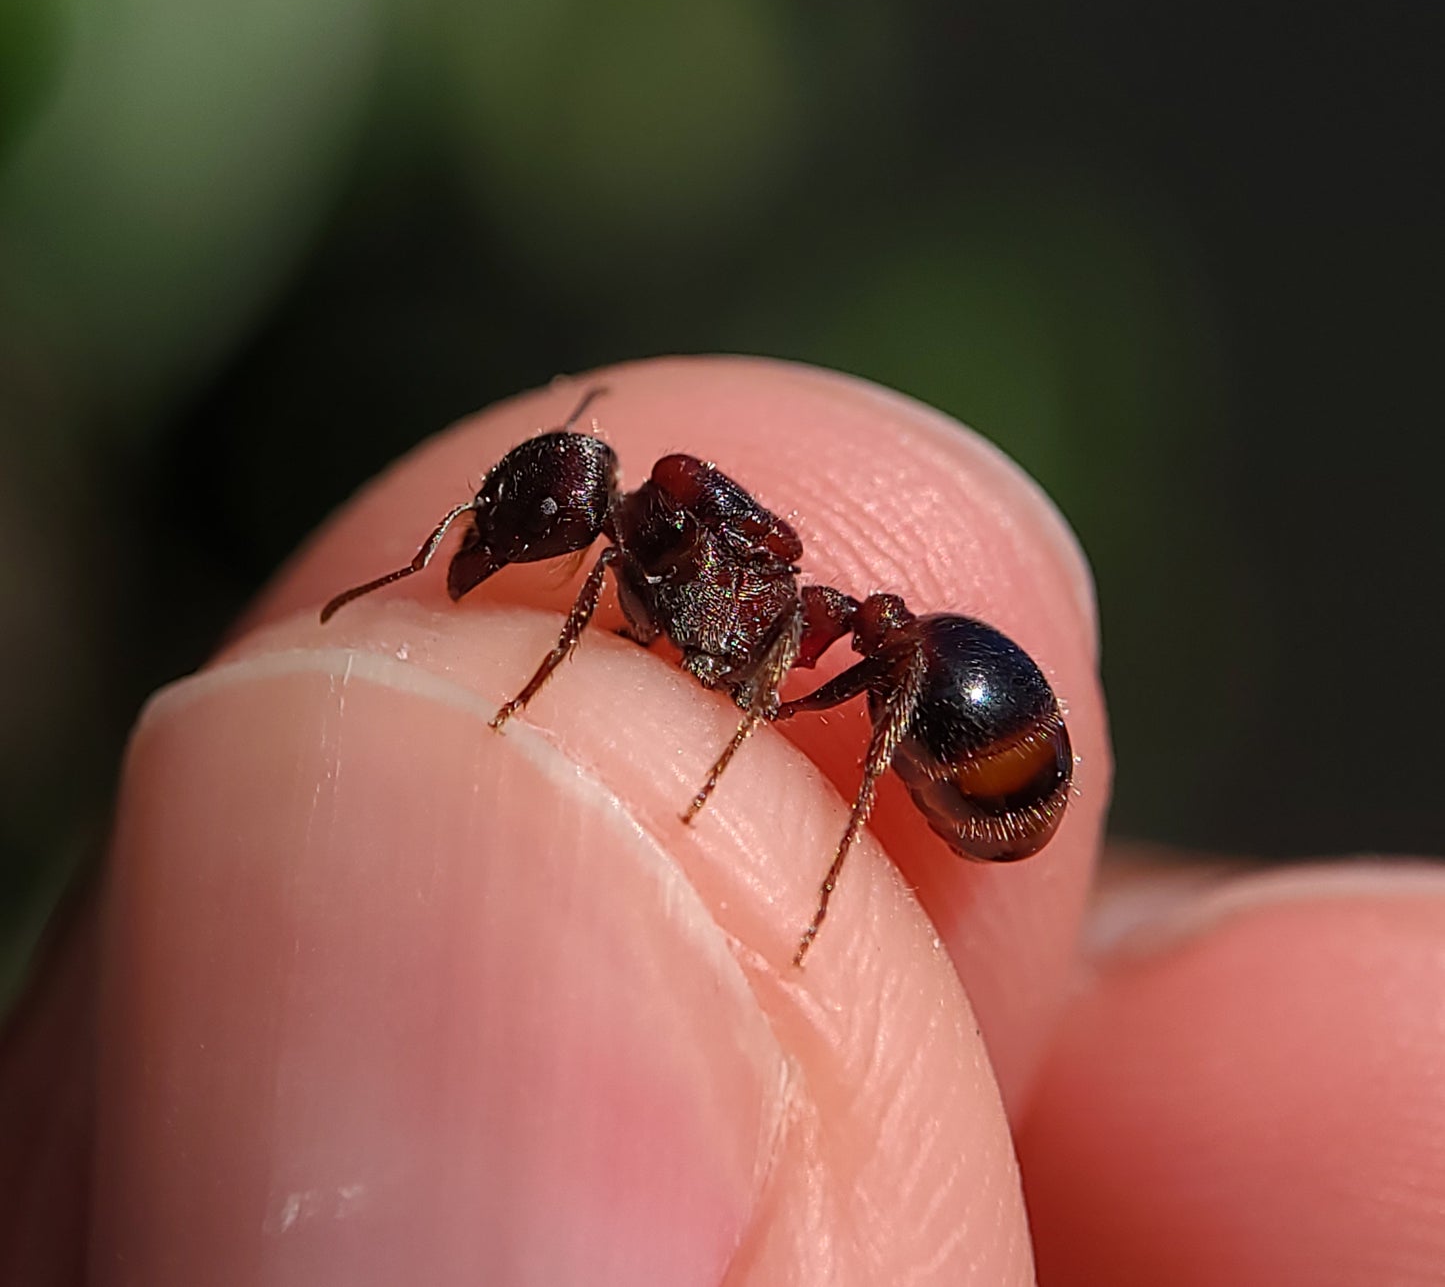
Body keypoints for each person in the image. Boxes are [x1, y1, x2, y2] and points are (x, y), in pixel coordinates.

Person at [4, 357, 1441, 1285]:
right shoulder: (638, 537)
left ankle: (825, 854)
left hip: (985, 743)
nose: (526, 541)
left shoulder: (692, 551)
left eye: (530, 521)